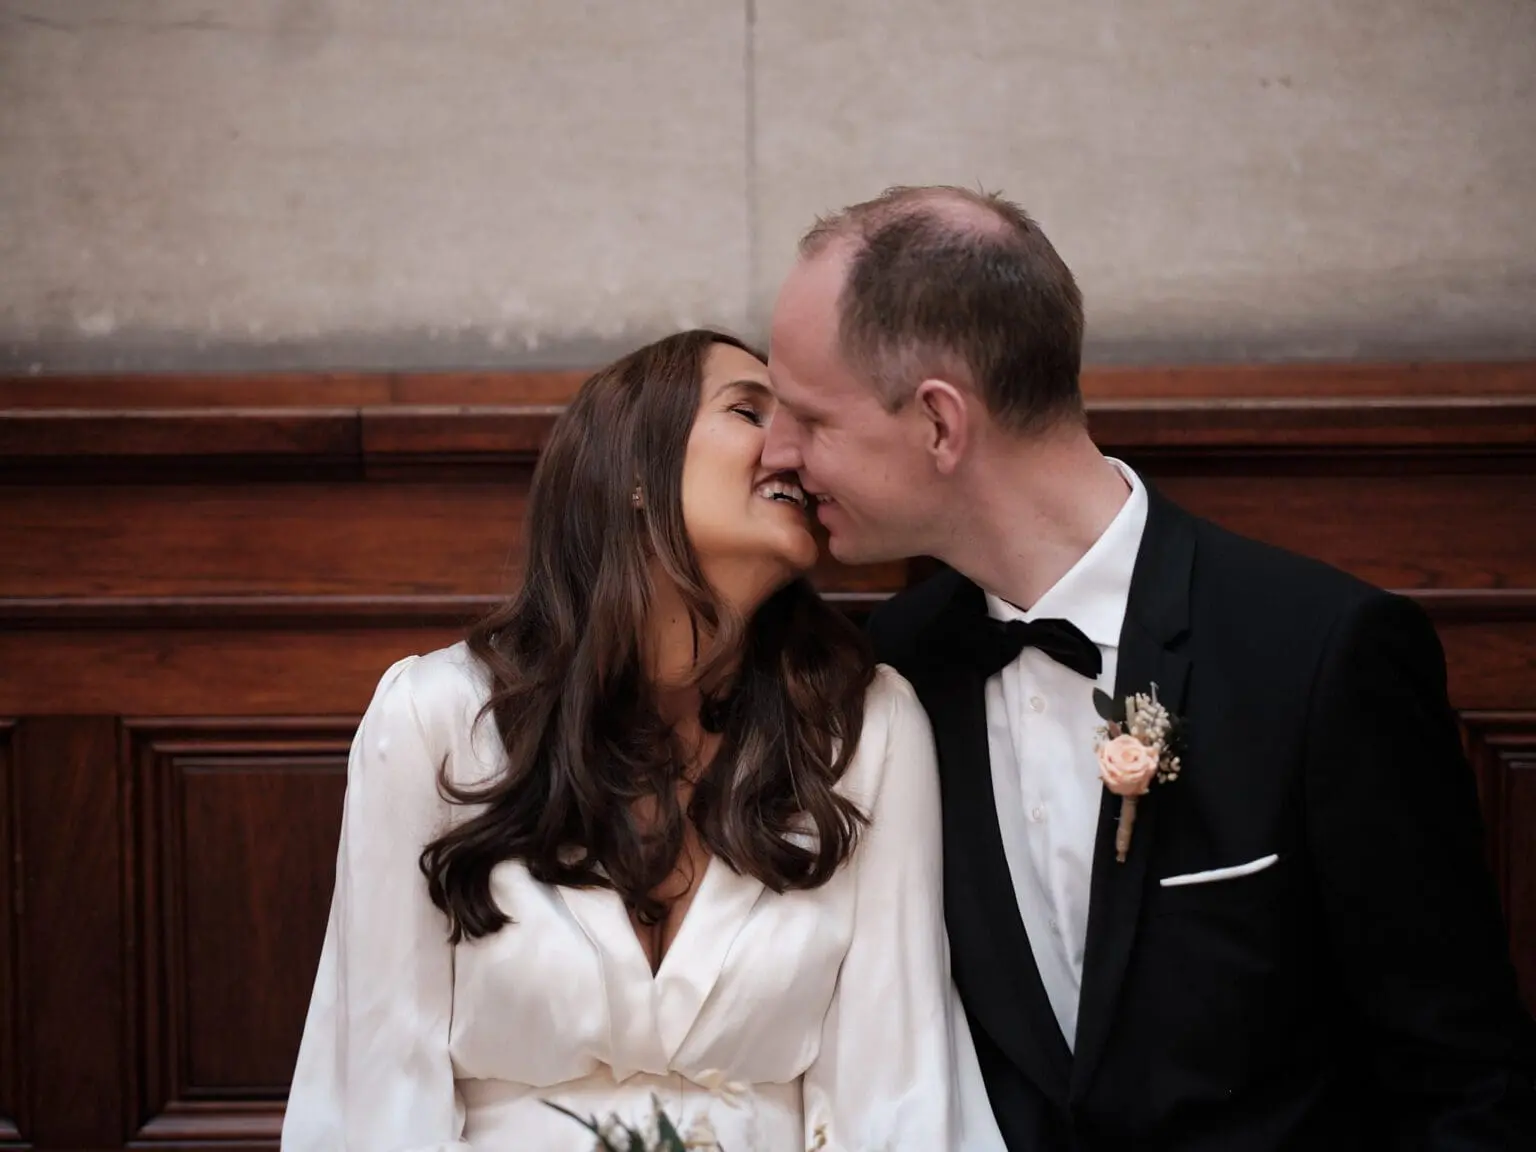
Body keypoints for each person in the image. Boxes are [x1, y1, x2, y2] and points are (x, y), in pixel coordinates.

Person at [760, 185, 1536, 1149]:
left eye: (808, 418)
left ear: (940, 425)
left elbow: (1461, 1079)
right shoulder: (892, 675)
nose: (775, 454)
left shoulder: (1321, 654)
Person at [281, 329, 1004, 1151]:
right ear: (633, 470)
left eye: (807, 424)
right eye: (750, 411)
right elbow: (379, 1081)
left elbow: (897, 1082)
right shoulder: (434, 715)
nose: (797, 453)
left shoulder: (866, 726)